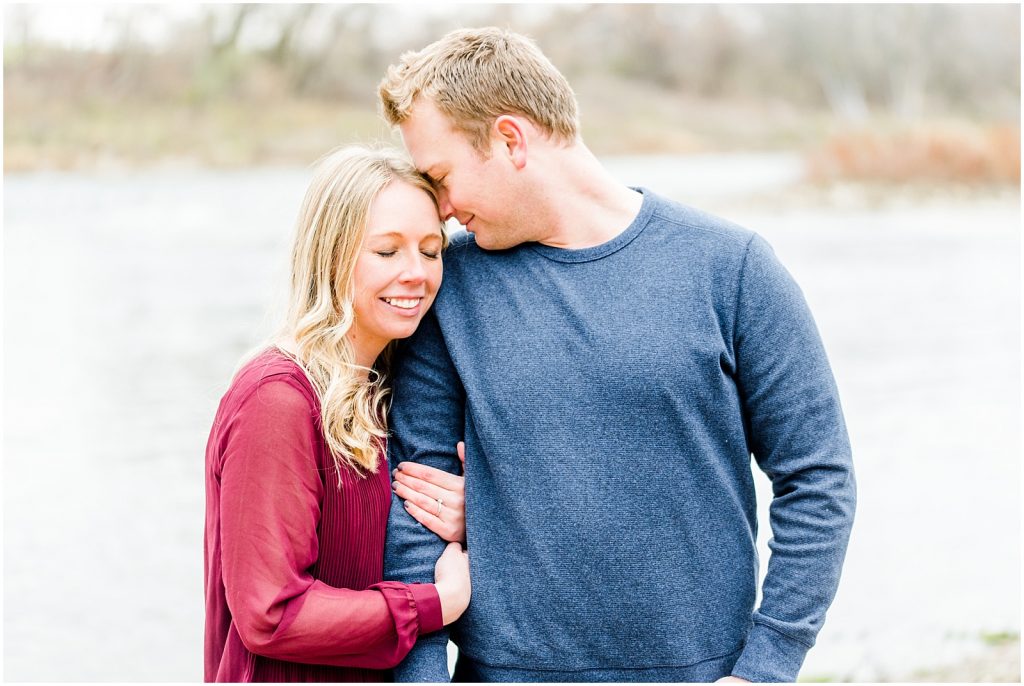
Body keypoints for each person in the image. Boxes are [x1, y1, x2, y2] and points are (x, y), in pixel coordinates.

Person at [378, 27, 857, 683]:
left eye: (441, 177)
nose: (441, 210)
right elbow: (415, 517)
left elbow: (817, 477)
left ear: (511, 140)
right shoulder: (447, 288)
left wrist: (767, 665)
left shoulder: (731, 268)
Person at [203, 146, 472, 682]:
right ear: (331, 256)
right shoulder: (277, 398)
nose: (417, 274)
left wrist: (471, 517)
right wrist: (433, 603)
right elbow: (271, 612)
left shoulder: (385, 389)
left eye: (430, 249)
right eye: (387, 251)